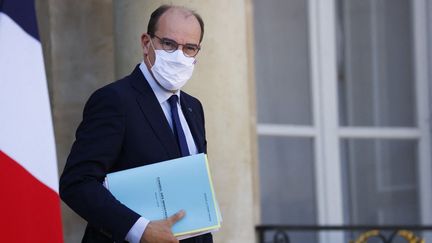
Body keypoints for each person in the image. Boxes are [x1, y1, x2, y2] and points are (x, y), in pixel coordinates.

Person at [59, 5, 212, 243]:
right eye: (169, 44)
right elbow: (77, 183)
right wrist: (141, 230)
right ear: (146, 43)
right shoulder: (115, 100)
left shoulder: (193, 108)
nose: (178, 56)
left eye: (189, 48)